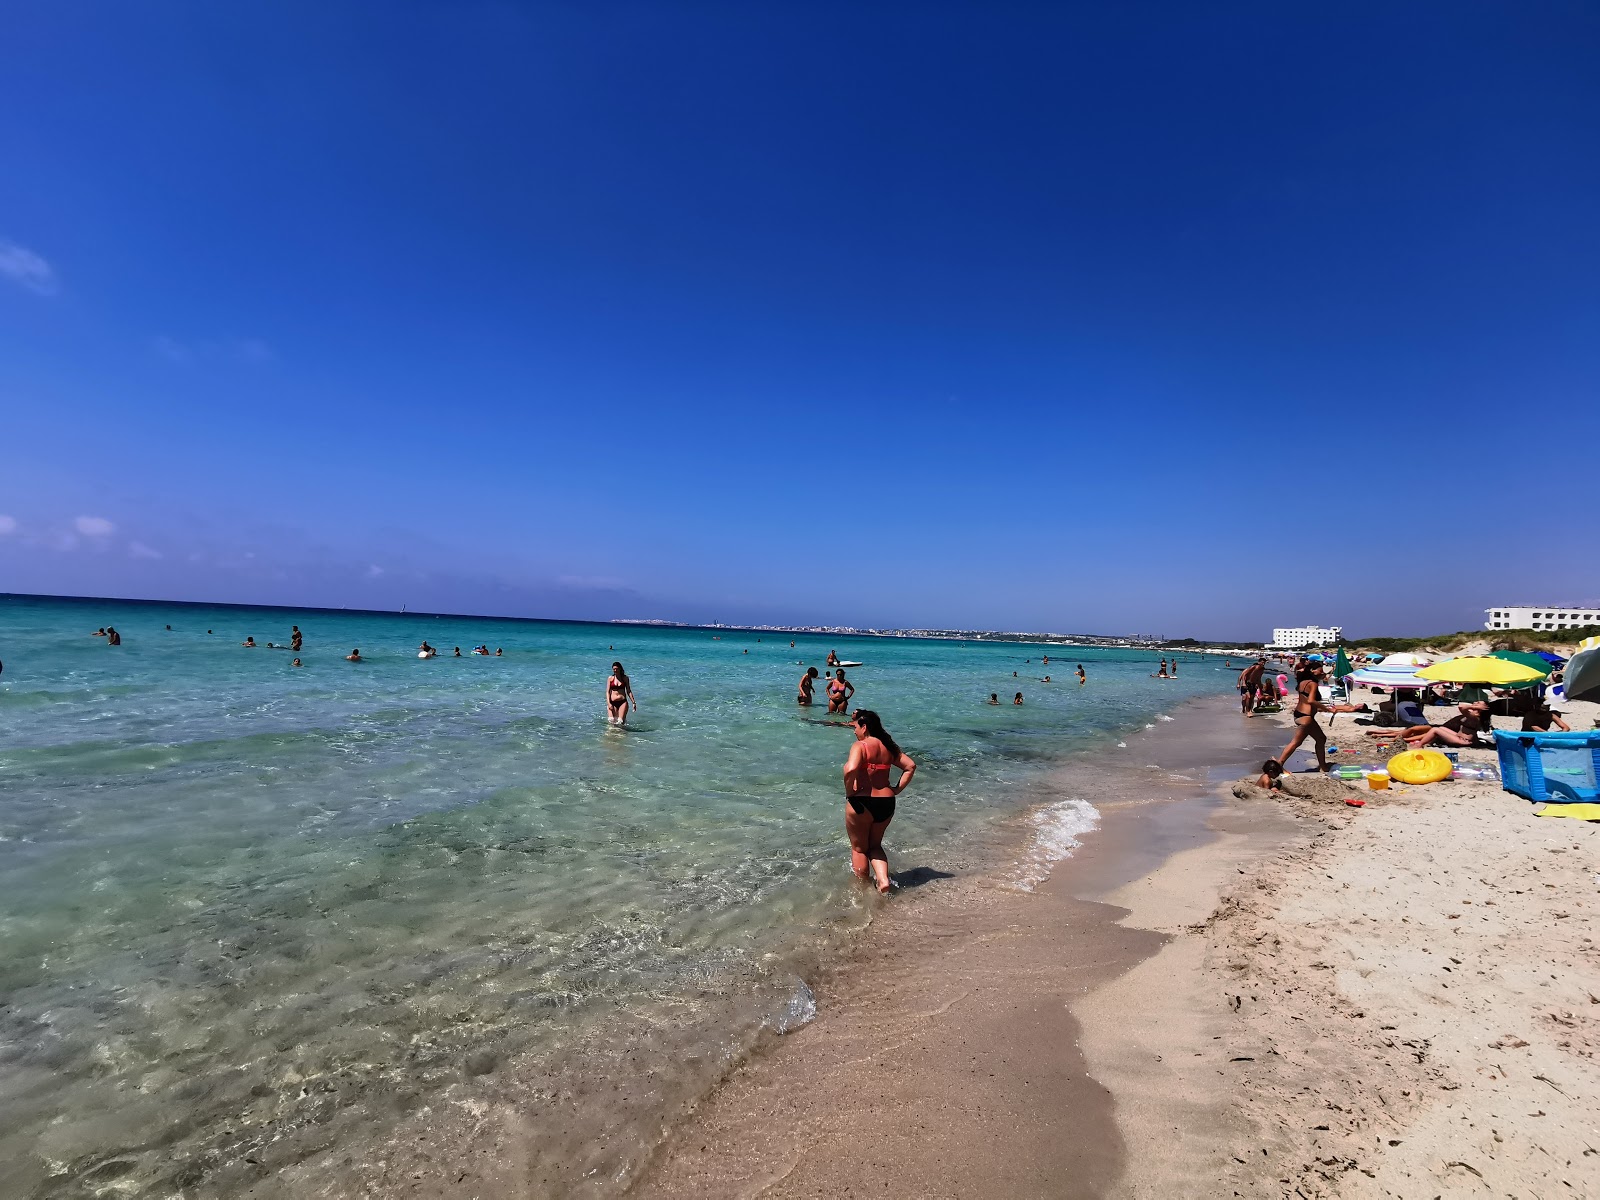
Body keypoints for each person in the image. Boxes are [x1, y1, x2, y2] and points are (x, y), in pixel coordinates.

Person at [842, 709, 916, 894]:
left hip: (862, 802)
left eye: (856, 727)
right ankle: (883, 881)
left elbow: (850, 769)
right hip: (886, 802)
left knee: (859, 849)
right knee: (875, 846)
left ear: (864, 727)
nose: (854, 731)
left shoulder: (860, 746)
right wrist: (896, 789)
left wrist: (850, 791)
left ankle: (862, 893)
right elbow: (910, 766)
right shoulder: (889, 747)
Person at [1275, 664, 1364, 771]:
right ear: (1312, 671)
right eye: (1321, 671)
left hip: (1300, 714)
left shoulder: (1303, 682)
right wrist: (1328, 709)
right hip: (1306, 717)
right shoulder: (1312, 684)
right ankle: (1278, 764)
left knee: (1320, 739)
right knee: (1296, 742)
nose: (1323, 673)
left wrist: (1331, 708)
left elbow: (1307, 701)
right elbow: (1311, 701)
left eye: (1324, 672)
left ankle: (1323, 766)